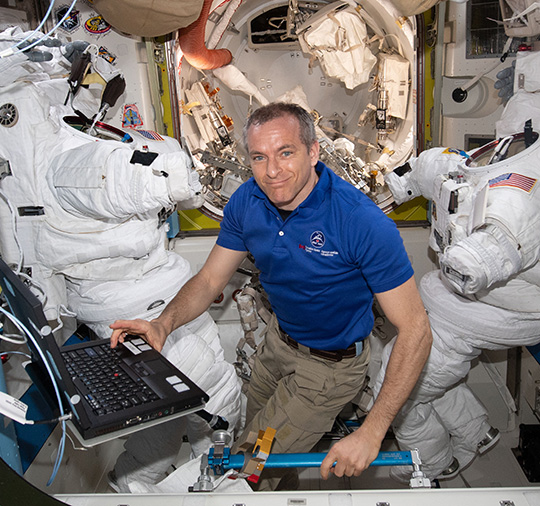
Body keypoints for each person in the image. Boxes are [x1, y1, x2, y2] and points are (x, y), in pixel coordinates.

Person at [110, 102, 432, 490]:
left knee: (245, 471)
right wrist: (163, 324)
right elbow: (211, 279)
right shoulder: (248, 202)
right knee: (258, 441)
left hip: (329, 369)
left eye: (286, 153)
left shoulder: (360, 221)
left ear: (313, 152)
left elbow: (416, 328)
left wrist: (373, 431)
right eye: (259, 157)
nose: (272, 171)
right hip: (277, 345)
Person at [376, 45, 540, 482]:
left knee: (397, 392)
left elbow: (509, 233)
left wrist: (470, 261)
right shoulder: (497, 161)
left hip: (493, 308)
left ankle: (429, 467)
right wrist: (401, 182)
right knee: (421, 372)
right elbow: (442, 170)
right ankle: (477, 434)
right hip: (462, 304)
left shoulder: (527, 191)